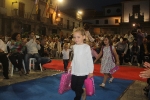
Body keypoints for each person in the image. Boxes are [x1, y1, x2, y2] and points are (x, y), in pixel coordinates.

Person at [69, 27, 94, 100]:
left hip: (83, 71)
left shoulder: (86, 47)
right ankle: (83, 91)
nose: (76, 39)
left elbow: (89, 60)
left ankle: (77, 98)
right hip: (75, 70)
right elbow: (74, 58)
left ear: (84, 37)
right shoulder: (74, 47)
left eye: (78, 37)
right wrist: (71, 66)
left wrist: (91, 71)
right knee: (73, 87)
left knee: (78, 87)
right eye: (74, 37)